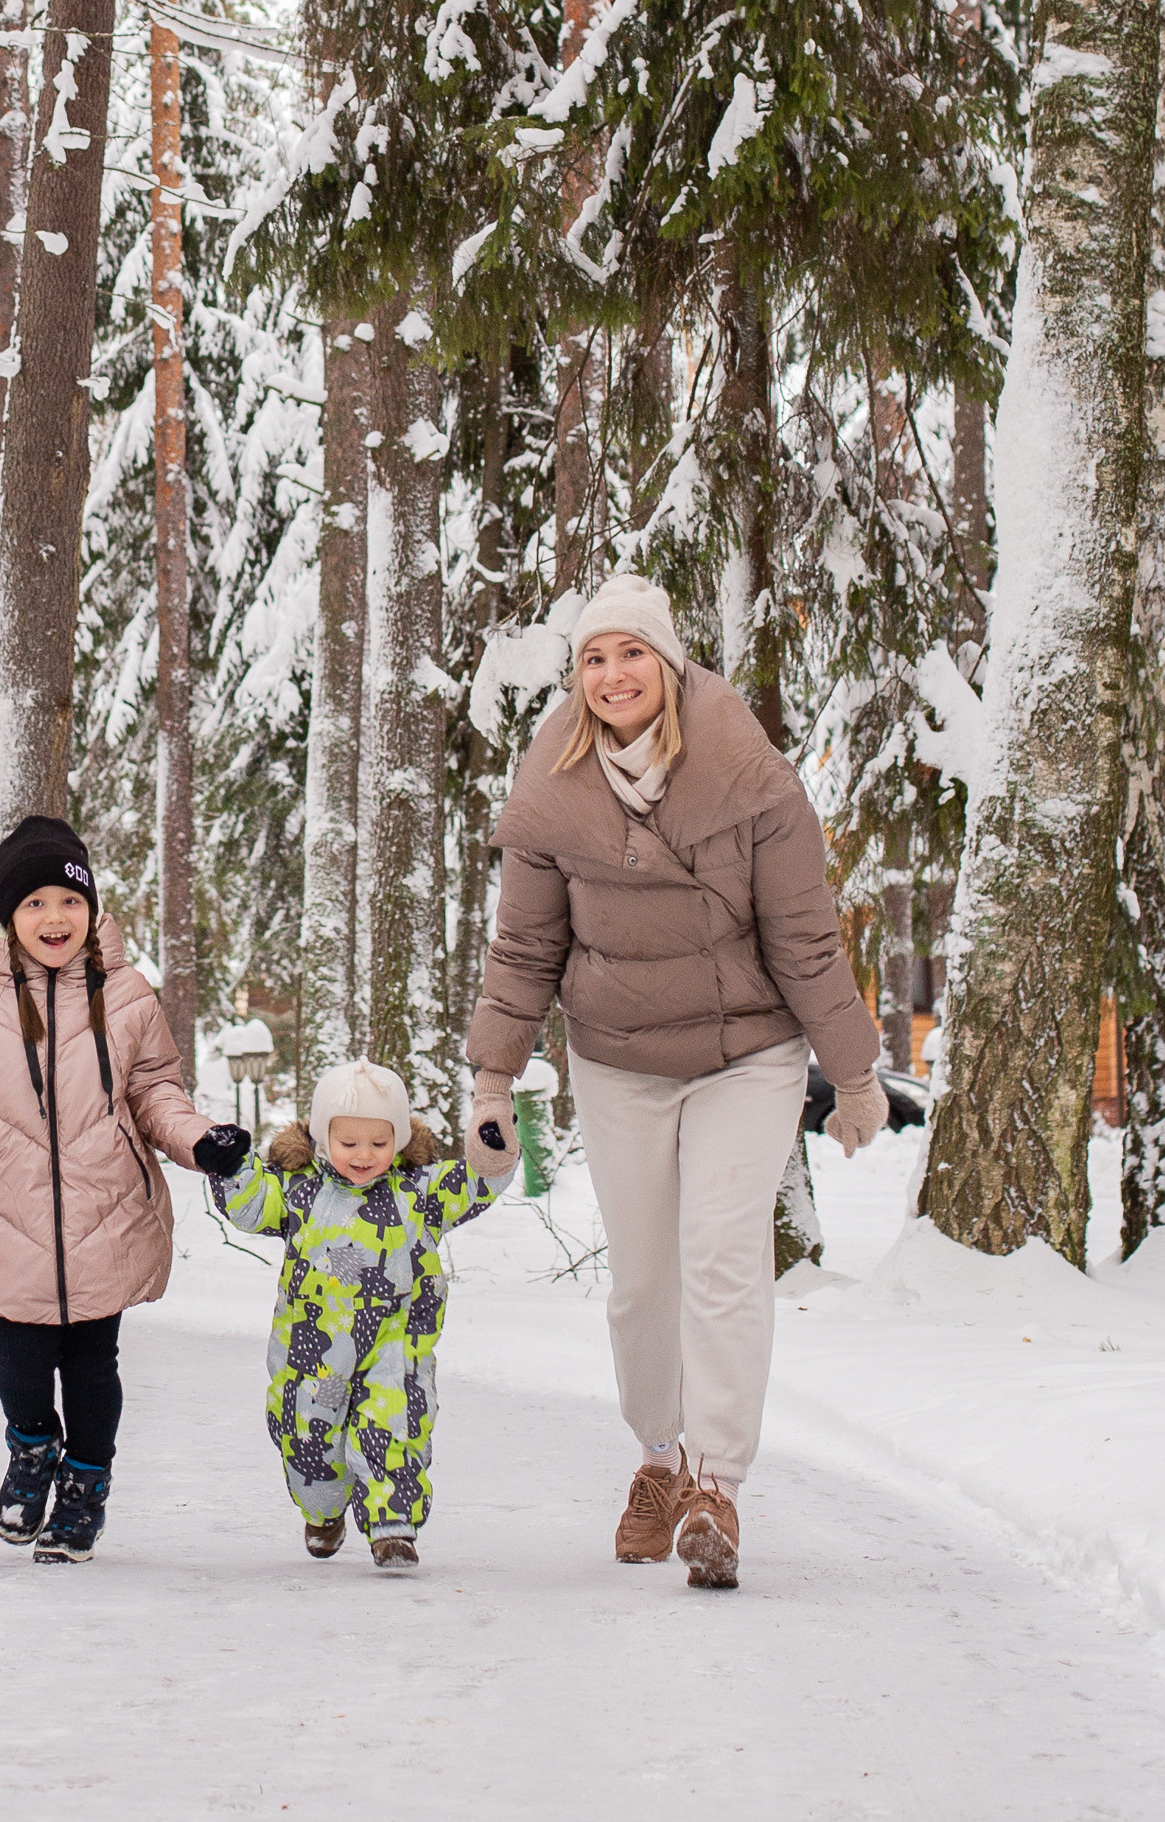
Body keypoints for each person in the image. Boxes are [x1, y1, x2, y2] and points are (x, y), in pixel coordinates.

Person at [463, 572, 888, 1592]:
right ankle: (656, 1459)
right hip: (616, 1057)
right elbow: (523, 947)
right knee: (643, 1277)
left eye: (631, 653)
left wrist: (855, 1069)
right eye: (593, 658)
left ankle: (714, 1482)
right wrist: (490, 1081)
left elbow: (801, 937)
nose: (611, 674)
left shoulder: (750, 775)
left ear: (669, 661)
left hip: (746, 1052)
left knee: (720, 1259)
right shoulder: (552, 782)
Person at [0, 814, 248, 1564]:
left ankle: (86, 1484)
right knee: (20, 1359)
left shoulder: (127, 995)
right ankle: (33, 1451)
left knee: (95, 1362)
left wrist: (199, 1141)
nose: (52, 918)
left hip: (107, 1210)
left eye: (66, 901)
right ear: (4, 915)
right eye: (31, 904)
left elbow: (156, 1090)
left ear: (91, 908)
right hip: (3, 1211)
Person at [209, 1055, 495, 1572]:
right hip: (311, 1346)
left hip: (395, 1340)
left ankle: (393, 1526)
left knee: (394, 1422)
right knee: (308, 1436)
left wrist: (494, 1148)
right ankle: (323, 1511)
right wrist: (232, 1167)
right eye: (349, 1143)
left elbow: (474, 1183)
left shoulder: (418, 1192)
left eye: (380, 1143)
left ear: (400, 1141)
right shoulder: (300, 1190)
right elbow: (252, 1206)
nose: (364, 1155)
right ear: (322, 1139)